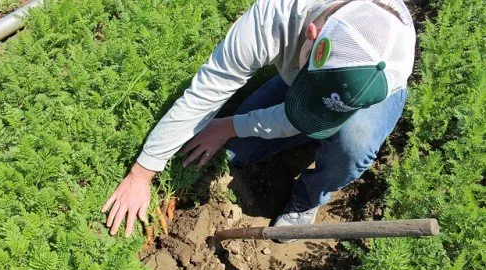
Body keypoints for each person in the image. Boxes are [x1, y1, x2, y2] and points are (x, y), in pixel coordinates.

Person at [101, 0, 415, 239]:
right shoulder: (272, 19)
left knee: (355, 143)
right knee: (238, 152)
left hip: (360, 102)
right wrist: (141, 174)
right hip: (311, 78)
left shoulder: (392, 62)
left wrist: (233, 125)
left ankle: (308, 197)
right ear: (312, 33)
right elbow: (204, 95)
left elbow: (306, 114)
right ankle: (312, 121)